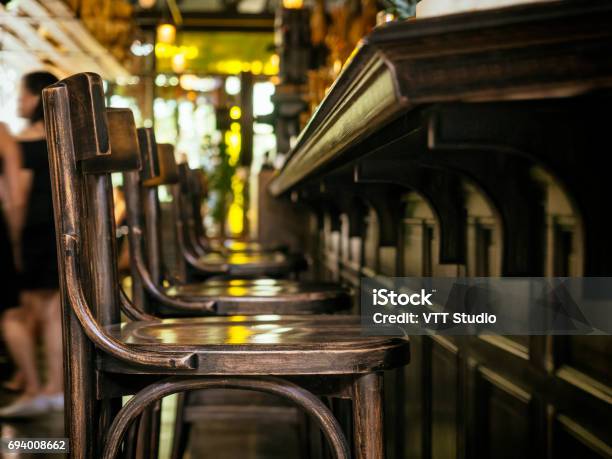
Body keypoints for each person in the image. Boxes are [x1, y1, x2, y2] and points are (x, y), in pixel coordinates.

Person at [0, 71, 62, 418]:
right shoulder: (62, 139)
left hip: (33, 230)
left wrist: (14, 238)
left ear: (37, 97)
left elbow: (16, 194)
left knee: (33, 309)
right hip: (58, 226)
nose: (19, 102)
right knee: (54, 310)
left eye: (22, 96)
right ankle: (56, 387)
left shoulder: (24, 141)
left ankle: (45, 388)